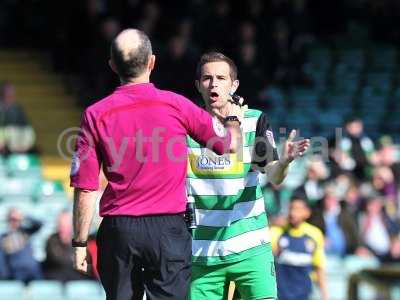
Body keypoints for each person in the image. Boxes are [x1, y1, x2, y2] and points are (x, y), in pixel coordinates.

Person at [70, 29, 242, 300]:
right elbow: (227, 145)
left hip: (119, 230)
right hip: (168, 230)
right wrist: (232, 119)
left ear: (113, 65)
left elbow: (86, 188)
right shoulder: (176, 105)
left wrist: (80, 242)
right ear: (152, 62)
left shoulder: (95, 114)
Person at [187, 52, 310, 300]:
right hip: (202, 253)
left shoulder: (255, 121)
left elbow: (273, 176)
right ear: (198, 85)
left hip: (251, 248)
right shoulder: (186, 125)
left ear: (234, 85)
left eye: (221, 78)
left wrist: (284, 161)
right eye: (207, 78)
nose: (214, 84)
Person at [271, 196, 328, 300]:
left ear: (307, 212)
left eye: (297, 209)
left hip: (304, 294)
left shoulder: (314, 234)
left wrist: (325, 296)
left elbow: (319, 267)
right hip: (280, 294)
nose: (293, 213)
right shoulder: (277, 232)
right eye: (291, 208)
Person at [43, 211, 89, 282]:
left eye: (67, 226)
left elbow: (85, 260)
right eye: (62, 226)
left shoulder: (79, 240)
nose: (64, 229)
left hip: (76, 278)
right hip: (55, 277)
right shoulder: (51, 240)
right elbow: (57, 259)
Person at [0, 207, 43, 283]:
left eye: (17, 220)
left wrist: (24, 216)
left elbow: (39, 224)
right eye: (12, 219)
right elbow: (2, 260)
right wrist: (6, 277)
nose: (15, 222)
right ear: (8, 220)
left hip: (33, 271)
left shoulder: (26, 232)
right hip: (17, 273)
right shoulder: (4, 238)